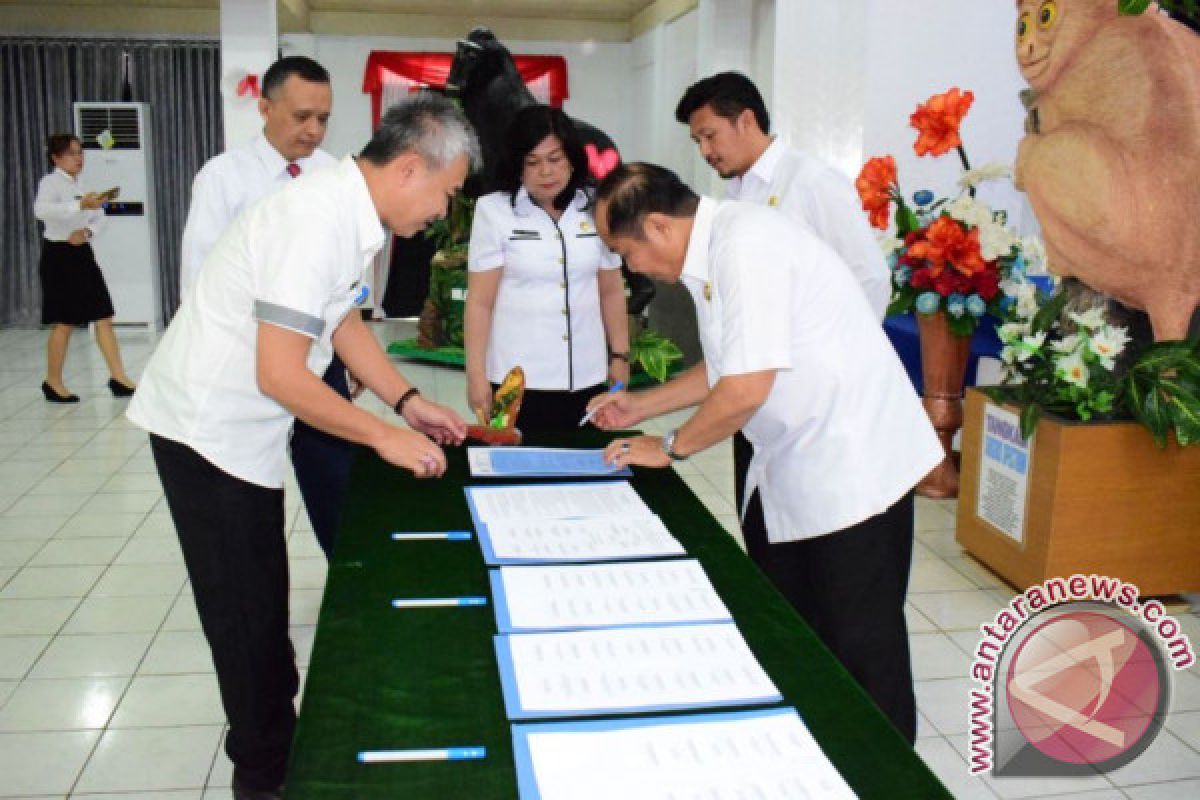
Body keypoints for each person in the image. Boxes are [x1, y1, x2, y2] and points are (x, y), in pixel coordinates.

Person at [127, 93, 479, 800]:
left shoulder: (346, 212)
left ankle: (272, 741)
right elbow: (280, 372)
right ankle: (264, 776)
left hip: (246, 432)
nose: (443, 213)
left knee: (264, 606)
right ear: (410, 168)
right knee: (247, 621)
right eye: (446, 195)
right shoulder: (315, 217)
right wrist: (386, 437)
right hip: (208, 435)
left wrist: (407, 402)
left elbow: (339, 316)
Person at [587, 163, 943, 744]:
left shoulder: (745, 246)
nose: (631, 268)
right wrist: (641, 408)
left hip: (854, 468)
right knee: (804, 629)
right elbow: (726, 367)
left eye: (625, 251)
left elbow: (745, 388)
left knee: (861, 646)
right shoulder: (716, 247)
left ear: (656, 226)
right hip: (800, 458)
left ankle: (884, 770)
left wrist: (671, 447)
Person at [675, 71, 893, 554]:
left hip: (816, 409)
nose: (705, 151)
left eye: (710, 135)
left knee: (827, 548)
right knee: (766, 539)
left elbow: (871, 278)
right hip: (755, 401)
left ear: (746, 120)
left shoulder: (811, 182)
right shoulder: (733, 198)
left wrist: (830, 363)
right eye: (697, 141)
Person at [181, 55, 347, 559]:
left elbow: (345, 280)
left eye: (323, 118)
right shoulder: (224, 178)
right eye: (301, 116)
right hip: (248, 368)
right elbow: (199, 281)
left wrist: (349, 356)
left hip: (318, 360)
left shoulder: (334, 175)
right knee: (249, 502)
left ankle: (347, 584)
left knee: (336, 486)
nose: (314, 130)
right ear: (264, 107)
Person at [465, 105, 629, 432]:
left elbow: (611, 291)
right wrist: (476, 375)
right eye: (533, 162)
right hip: (516, 382)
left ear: (571, 157)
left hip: (587, 376)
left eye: (555, 159)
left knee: (582, 471)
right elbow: (480, 302)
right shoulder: (494, 211)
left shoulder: (596, 207)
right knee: (517, 471)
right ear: (517, 165)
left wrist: (621, 358)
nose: (546, 172)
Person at [33, 133, 137, 402]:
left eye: (80, 153)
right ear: (56, 158)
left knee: (103, 314)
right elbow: (41, 211)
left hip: (82, 254)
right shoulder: (50, 182)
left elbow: (100, 218)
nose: (78, 159)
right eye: (71, 154)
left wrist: (88, 232)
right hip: (58, 256)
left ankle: (119, 377)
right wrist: (78, 205)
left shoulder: (84, 183)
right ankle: (52, 382)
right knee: (64, 322)